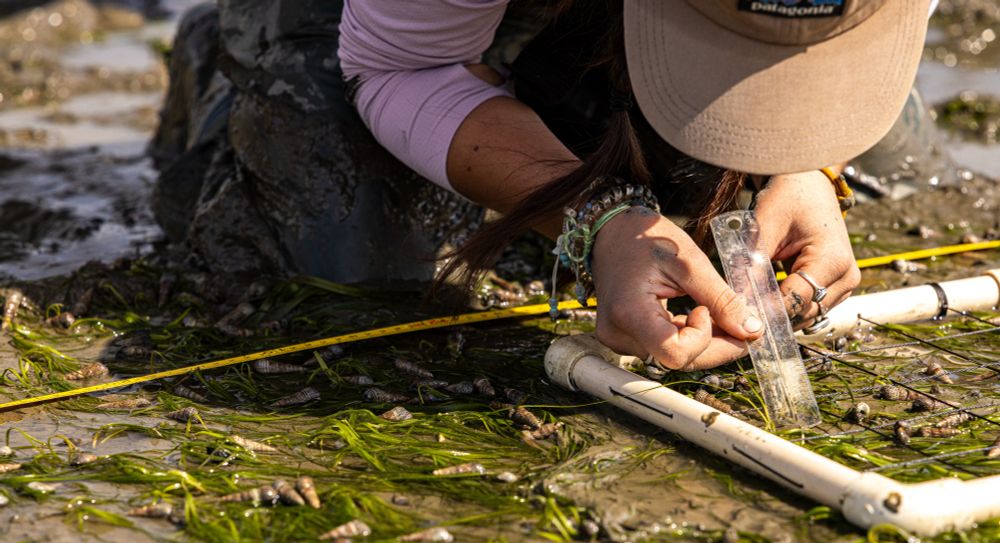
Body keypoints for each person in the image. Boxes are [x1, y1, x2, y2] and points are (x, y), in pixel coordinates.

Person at [152, 0, 933, 371]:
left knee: (895, 163)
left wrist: (808, 160)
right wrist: (598, 216)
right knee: (353, 248)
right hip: (387, 24)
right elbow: (398, 66)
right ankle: (231, 51)